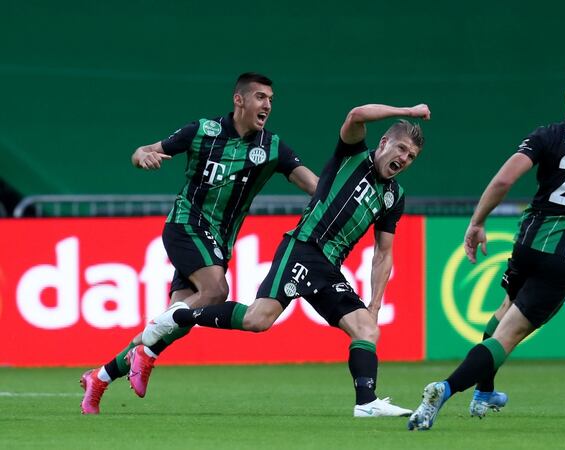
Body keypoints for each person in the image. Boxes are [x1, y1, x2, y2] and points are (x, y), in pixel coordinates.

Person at [407, 67, 565, 430]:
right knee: (508, 335)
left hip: (530, 242)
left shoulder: (547, 134)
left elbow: (505, 179)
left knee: (503, 312)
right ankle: (444, 389)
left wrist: (477, 222)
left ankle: (484, 392)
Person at [141, 103, 431, 417]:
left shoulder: (394, 196)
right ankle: (179, 317)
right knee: (257, 320)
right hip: (303, 249)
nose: (403, 158)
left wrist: (375, 306)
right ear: (385, 142)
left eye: (411, 156)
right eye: (401, 148)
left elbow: (383, 254)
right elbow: (356, 115)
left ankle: (366, 403)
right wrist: (408, 111)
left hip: (329, 268)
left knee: (367, 329)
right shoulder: (353, 154)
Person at [79, 72, 318, 414]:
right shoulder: (202, 132)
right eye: (261, 97)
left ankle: (100, 377)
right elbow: (143, 151)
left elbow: (313, 185)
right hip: (185, 225)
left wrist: (337, 201)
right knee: (216, 291)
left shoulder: (272, 148)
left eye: (270, 100)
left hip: (219, 242)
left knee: (180, 321)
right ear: (240, 100)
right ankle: (144, 351)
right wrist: (141, 157)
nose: (267, 105)